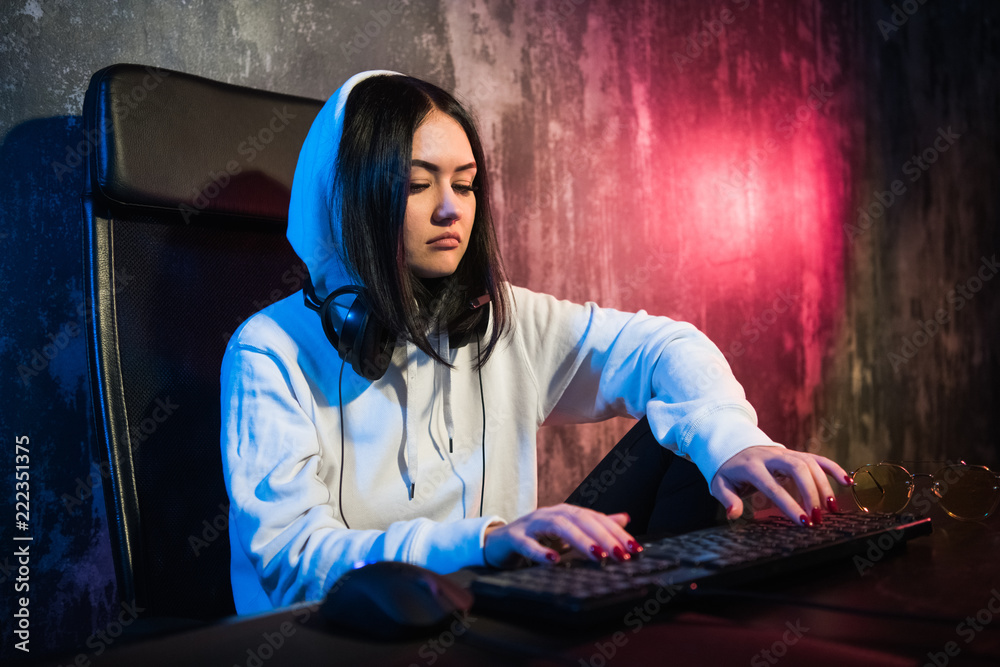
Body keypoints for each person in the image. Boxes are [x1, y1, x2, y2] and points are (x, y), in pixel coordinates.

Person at [220, 70, 851, 614]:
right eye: (418, 185)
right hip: (353, 638)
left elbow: (662, 348)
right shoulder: (268, 351)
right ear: (351, 200)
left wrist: (733, 442)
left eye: (464, 184)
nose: (451, 210)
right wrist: (488, 540)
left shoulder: (500, 318)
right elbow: (292, 562)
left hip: (505, 610)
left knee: (686, 441)